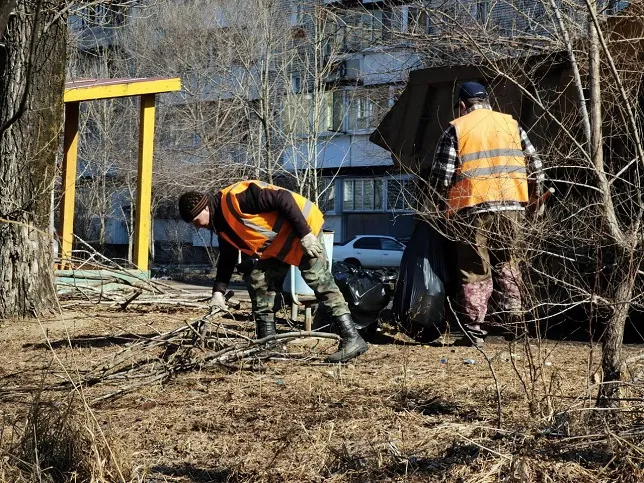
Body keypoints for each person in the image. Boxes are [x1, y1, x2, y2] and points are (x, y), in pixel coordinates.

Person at [178, 180, 368, 362]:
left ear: (205, 208)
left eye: (196, 221)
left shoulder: (237, 198)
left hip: (303, 228)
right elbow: (227, 257)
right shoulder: (222, 225)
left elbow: (283, 198)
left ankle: (351, 337)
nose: (197, 227)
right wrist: (218, 292)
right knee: (260, 281)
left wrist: (305, 234)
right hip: (280, 245)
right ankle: (268, 343)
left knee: (319, 280)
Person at [430, 82, 544, 346]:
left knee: (474, 269)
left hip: (473, 208)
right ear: (488, 101)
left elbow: (442, 177)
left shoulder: (457, 129)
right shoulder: (511, 125)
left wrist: (439, 204)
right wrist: (534, 199)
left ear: (462, 105)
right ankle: (515, 324)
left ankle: (475, 331)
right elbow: (536, 165)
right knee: (508, 263)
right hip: (513, 207)